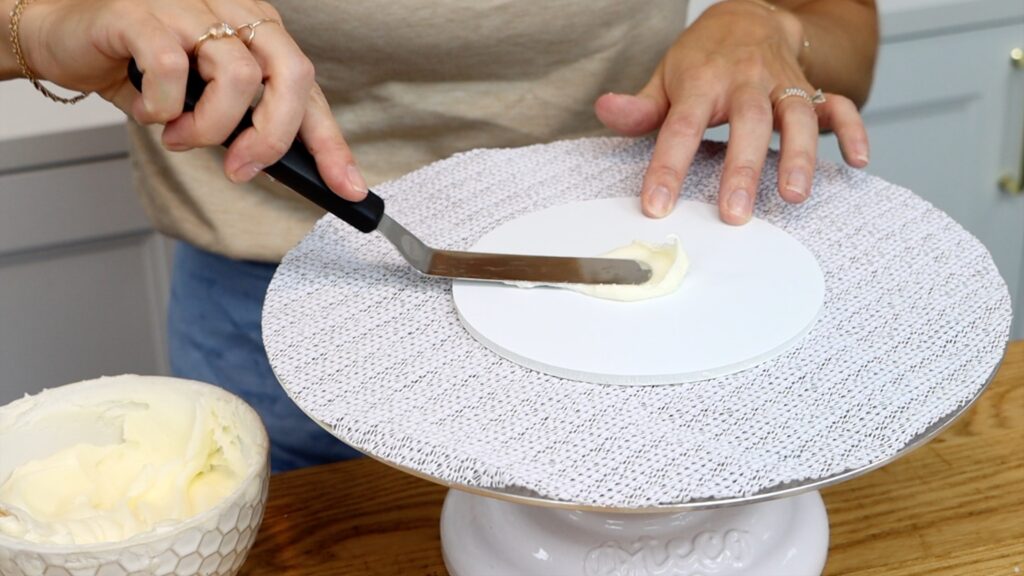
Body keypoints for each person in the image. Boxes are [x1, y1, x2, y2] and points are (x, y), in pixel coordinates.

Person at [1, 0, 877, 472]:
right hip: (280, 307)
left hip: (620, 319)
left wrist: (774, 21)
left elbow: (847, 33)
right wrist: (32, 26)